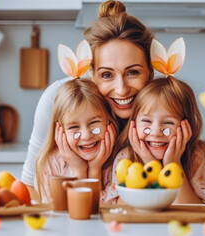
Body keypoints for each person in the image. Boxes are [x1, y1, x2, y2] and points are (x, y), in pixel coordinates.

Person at [21, 0, 154, 198]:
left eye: (132, 72)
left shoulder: (158, 105)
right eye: (107, 75)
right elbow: (29, 186)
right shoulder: (57, 98)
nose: (121, 89)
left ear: (151, 72)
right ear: (92, 74)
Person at [112, 38, 205, 204]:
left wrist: (172, 165)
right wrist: (151, 165)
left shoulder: (197, 157)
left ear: (186, 125)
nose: (155, 132)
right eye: (146, 121)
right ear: (133, 123)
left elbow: (196, 213)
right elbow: (123, 211)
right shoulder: (126, 158)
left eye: (168, 123)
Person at [35, 77, 118, 203]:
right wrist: (79, 170)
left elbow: (104, 213)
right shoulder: (51, 164)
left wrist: (95, 169)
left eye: (94, 122)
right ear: (60, 131)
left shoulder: (120, 161)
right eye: (74, 127)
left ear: (109, 121)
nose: (86, 135)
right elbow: (60, 215)